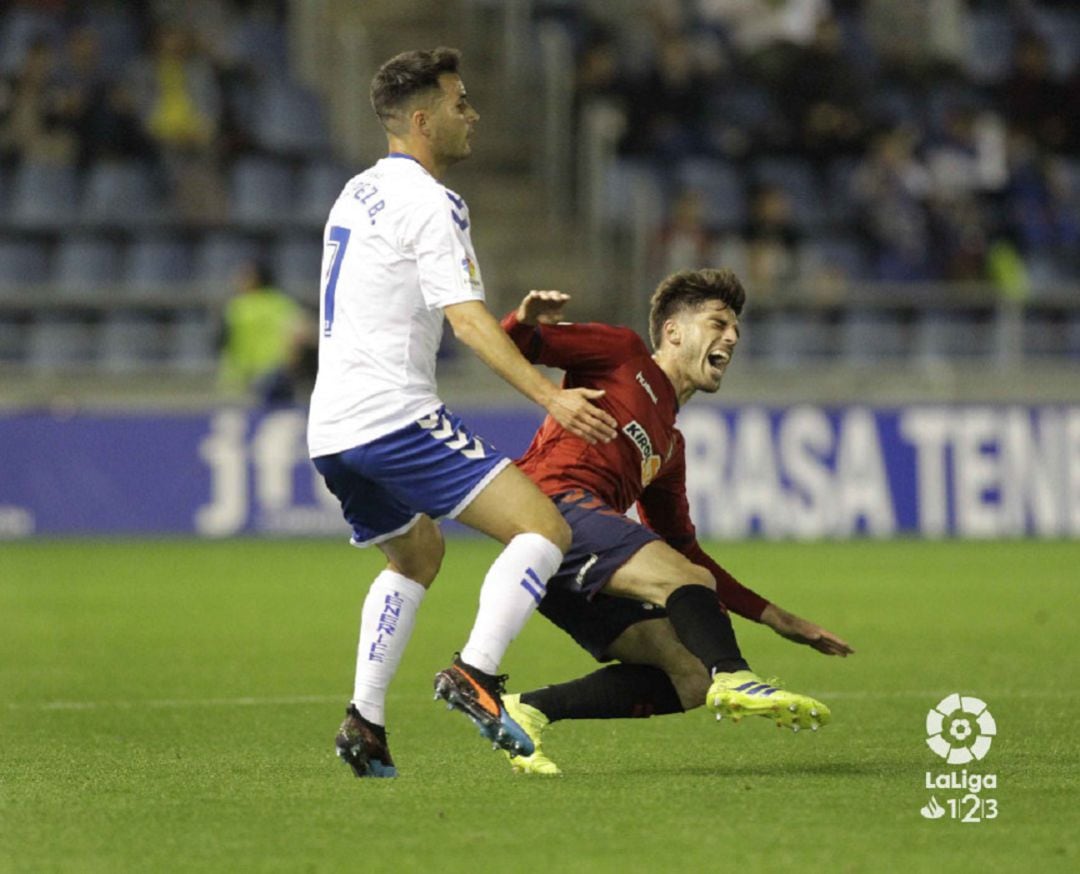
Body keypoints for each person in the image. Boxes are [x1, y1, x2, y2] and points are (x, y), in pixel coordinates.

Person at [305, 47, 618, 779]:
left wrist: (508, 320)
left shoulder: (357, 192)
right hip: (392, 417)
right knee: (545, 528)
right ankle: (476, 673)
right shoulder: (432, 200)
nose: (472, 115)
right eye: (459, 103)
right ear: (421, 120)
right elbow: (465, 322)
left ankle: (366, 720)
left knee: (417, 555)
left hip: (332, 427)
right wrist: (551, 395)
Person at [494, 270, 853, 775]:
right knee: (691, 595)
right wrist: (523, 320)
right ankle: (737, 676)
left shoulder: (669, 447)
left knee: (690, 675)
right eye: (718, 322)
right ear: (674, 331)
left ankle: (525, 709)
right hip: (549, 507)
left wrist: (779, 619)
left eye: (736, 331)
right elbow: (513, 344)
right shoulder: (622, 353)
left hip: (568, 563)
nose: (731, 337)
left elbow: (687, 554)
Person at [218, 260, 305, 405]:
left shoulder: (237, 307)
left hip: (260, 375)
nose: (238, 279)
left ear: (257, 278)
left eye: (245, 275)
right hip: (259, 374)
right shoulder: (281, 302)